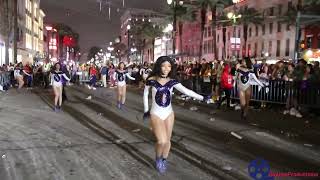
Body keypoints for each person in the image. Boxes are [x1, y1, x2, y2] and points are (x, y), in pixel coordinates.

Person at [143, 56, 210, 173]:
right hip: (155, 113)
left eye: (169, 66)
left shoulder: (172, 81)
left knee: (168, 140)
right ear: (159, 66)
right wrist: (146, 110)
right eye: (163, 65)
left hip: (169, 114)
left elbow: (186, 91)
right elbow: (145, 94)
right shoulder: (151, 79)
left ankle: (164, 159)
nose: (166, 68)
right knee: (161, 141)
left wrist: (202, 97)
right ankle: (158, 158)